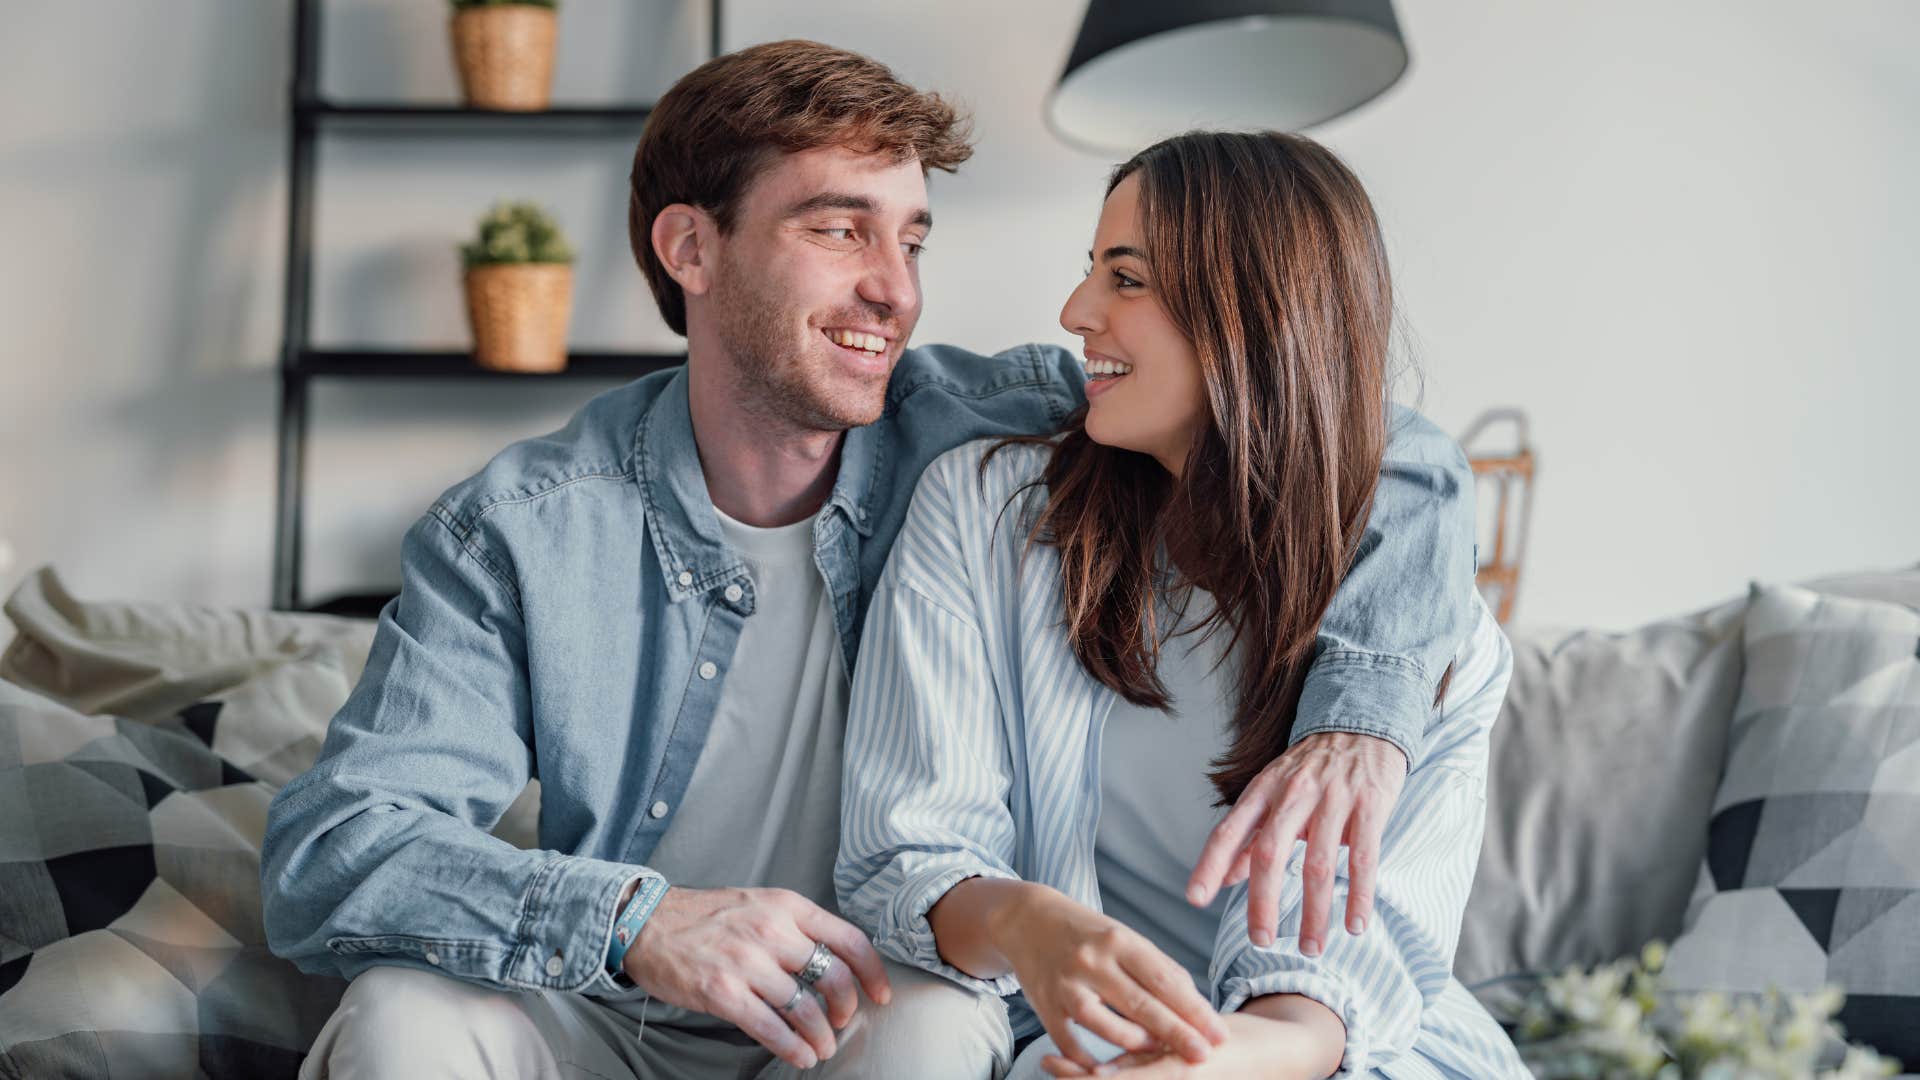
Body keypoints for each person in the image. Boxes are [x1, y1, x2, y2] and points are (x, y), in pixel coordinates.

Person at [261, 40, 1481, 1079]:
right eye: (839, 229)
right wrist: (639, 918)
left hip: (873, 994)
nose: (891, 291)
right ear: (690, 248)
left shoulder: (980, 429)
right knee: (401, 1017)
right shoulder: (523, 529)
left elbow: (1344, 435)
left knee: (938, 1030)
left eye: (912, 240)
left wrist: (1362, 719)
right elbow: (334, 850)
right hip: (611, 995)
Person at [837, 131, 1528, 1079]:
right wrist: (1026, 922)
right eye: (1092, 271)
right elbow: (905, 856)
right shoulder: (982, 516)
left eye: (1128, 279)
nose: (1076, 311)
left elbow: (1340, 985)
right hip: (1066, 1045)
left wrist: (1201, 1061)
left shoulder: (1422, 632)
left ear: (1257, 314)